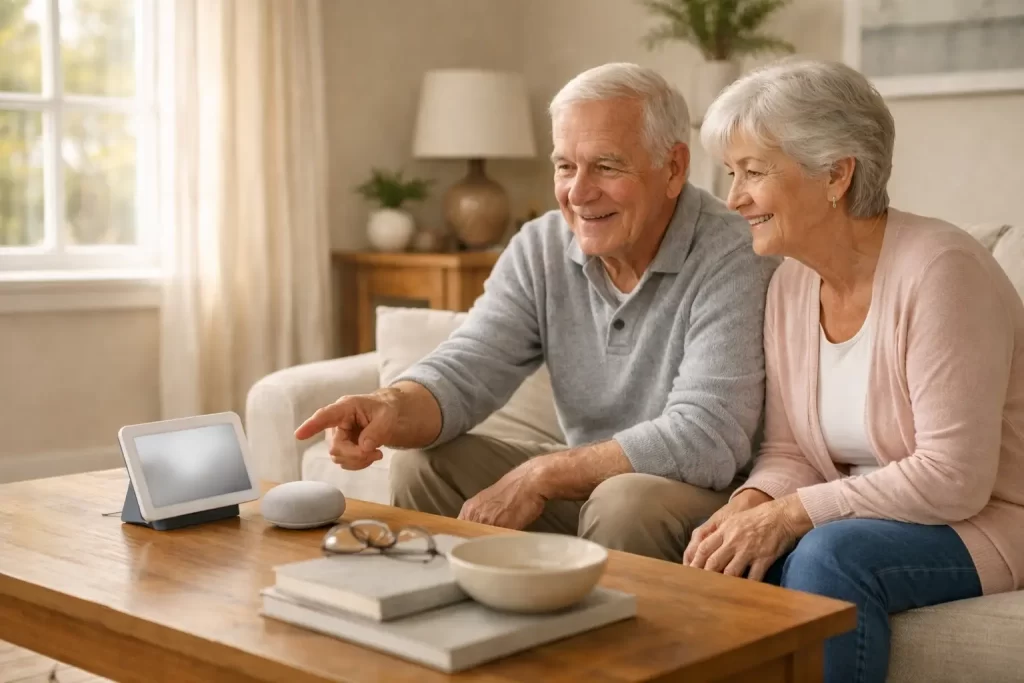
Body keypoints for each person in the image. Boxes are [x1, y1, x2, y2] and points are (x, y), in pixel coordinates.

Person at [295, 62, 779, 563]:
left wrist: (543, 474)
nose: (578, 192)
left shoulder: (735, 253)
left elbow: (705, 438)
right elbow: (468, 366)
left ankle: (607, 644)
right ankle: (456, 628)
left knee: (626, 501)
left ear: (674, 169)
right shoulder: (541, 246)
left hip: (711, 494)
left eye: (606, 166)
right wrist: (388, 406)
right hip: (595, 486)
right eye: (565, 166)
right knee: (424, 464)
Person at [682, 58, 1024, 683]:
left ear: (836, 173)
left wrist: (790, 515)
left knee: (828, 553)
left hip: (987, 519)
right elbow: (790, 448)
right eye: (733, 174)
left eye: (754, 172)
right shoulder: (789, 284)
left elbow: (954, 479)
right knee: (723, 548)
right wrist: (753, 503)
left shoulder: (943, 271)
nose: (734, 198)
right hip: (871, 514)